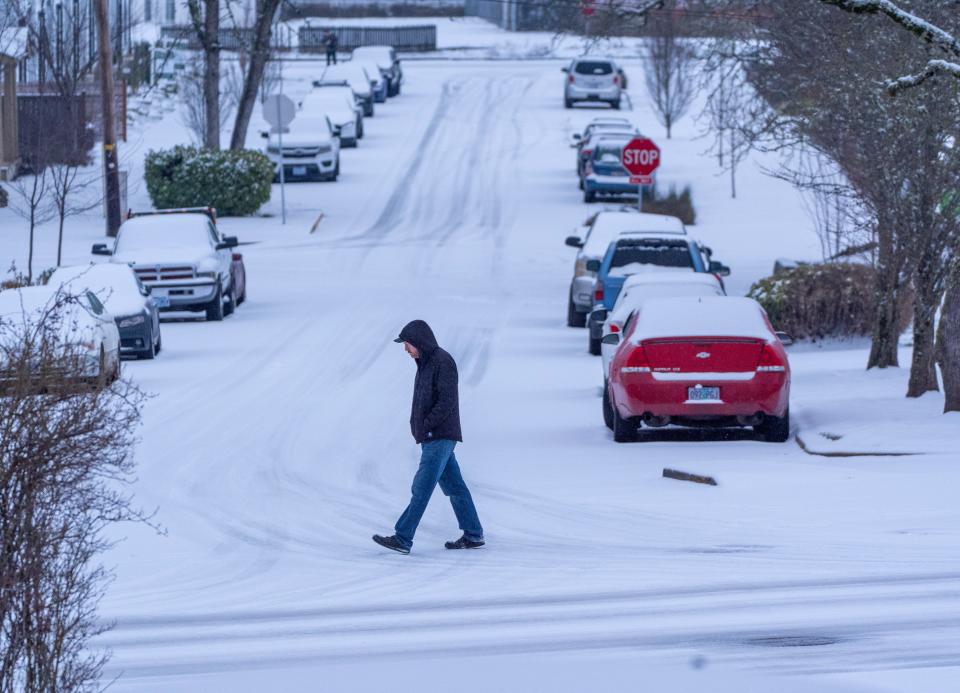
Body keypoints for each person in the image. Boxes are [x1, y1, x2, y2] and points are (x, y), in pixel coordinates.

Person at [373, 320, 485, 555]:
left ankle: (403, 538)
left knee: (421, 488)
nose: (406, 350)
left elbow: (447, 401)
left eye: (407, 345)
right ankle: (473, 534)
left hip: (439, 436)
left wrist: (427, 426)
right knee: (456, 487)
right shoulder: (424, 363)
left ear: (419, 341)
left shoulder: (442, 362)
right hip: (434, 436)